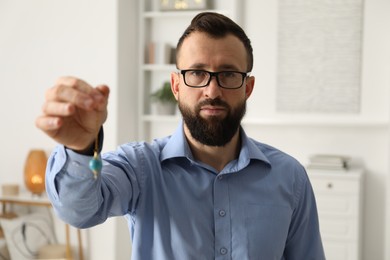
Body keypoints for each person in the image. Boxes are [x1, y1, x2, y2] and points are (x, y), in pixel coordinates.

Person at [36, 12, 325, 260]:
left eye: (228, 74)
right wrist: (81, 148)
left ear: (247, 88)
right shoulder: (140, 168)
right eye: (197, 73)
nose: (212, 91)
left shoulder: (290, 176)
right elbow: (79, 212)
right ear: (176, 86)